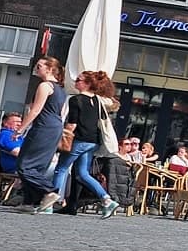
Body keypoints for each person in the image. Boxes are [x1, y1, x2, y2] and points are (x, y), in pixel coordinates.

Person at [49, 70, 120, 217]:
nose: (75, 82)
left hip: (79, 140)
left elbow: (72, 123)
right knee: (82, 173)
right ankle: (107, 200)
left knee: (61, 169)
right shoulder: (97, 100)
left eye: (78, 80)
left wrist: (63, 138)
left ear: (87, 84)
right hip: (92, 141)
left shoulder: (76, 100)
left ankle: (49, 203)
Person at [16, 56, 71, 210]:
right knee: (38, 166)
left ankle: (50, 190)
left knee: (24, 165)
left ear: (49, 69)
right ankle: (29, 202)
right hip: (55, 127)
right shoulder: (60, 90)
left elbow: (35, 110)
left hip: (43, 126)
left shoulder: (45, 86)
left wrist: (20, 129)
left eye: (39, 66)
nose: (36, 68)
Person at [0, 113, 26, 177]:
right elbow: (18, 152)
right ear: (5, 123)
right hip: (18, 169)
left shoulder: (18, 136)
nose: (19, 124)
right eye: (16, 122)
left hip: (26, 168)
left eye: (20, 122)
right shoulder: (5, 134)